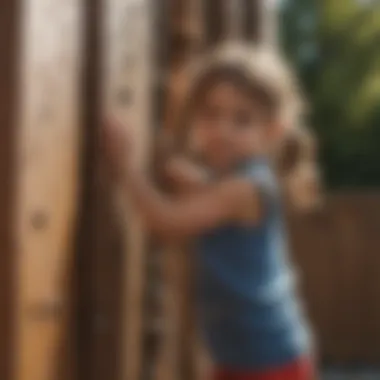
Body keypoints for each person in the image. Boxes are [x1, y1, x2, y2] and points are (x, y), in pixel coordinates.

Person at [103, 43, 320, 380]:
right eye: (210, 114)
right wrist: (189, 178)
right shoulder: (231, 181)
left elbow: (168, 222)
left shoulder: (244, 187)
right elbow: (212, 195)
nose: (222, 130)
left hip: (266, 363)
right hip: (243, 356)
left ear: (271, 132)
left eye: (242, 119)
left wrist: (126, 169)